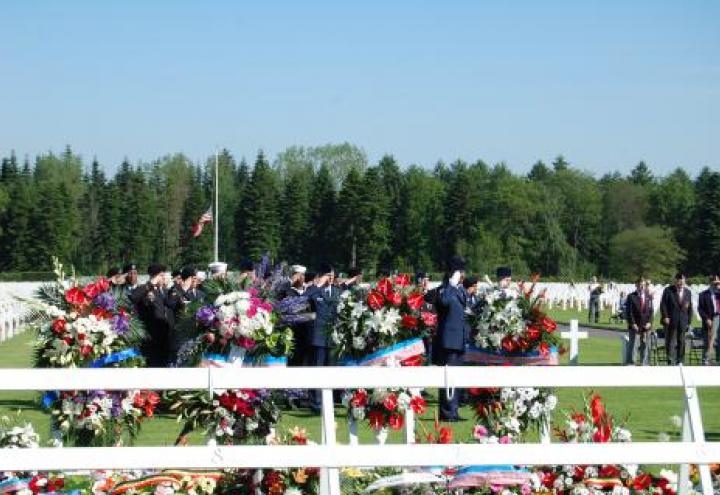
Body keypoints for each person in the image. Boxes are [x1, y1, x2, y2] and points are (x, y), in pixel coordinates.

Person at [434, 256, 468, 421]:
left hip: (459, 340)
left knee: (457, 378)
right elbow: (444, 302)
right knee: (448, 378)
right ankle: (447, 412)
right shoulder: (444, 289)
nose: (463, 274)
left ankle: (453, 411)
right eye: (460, 271)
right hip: (448, 341)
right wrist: (451, 285)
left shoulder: (460, 289)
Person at [305, 263, 341, 413]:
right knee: (317, 370)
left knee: (331, 370)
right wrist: (318, 285)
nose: (331, 278)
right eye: (328, 275)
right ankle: (315, 403)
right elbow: (305, 299)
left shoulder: (337, 292)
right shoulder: (314, 291)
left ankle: (329, 403)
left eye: (332, 276)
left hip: (332, 337)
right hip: (318, 336)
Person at [132, 264, 173, 367]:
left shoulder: (163, 291)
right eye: (162, 275)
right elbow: (134, 297)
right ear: (155, 277)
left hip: (165, 336)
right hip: (151, 337)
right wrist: (151, 283)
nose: (164, 278)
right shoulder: (145, 289)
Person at [660, 272, 693, 365]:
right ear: (676, 281)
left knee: (681, 341)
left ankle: (680, 360)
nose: (681, 282)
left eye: (682, 280)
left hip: (683, 321)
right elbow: (663, 305)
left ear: (684, 281)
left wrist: (689, 322)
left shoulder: (688, 292)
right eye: (679, 280)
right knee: (671, 341)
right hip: (671, 320)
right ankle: (670, 360)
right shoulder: (668, 290)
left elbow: (690, 308)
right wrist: (665, 316)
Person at [625, 277, 654, 366]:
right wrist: (633, 323)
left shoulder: (648, 297)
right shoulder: (631, 296)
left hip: (646, 326)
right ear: (636, 285)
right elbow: (629, 312)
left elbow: (651, 311)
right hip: (635, 325)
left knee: (645, 345)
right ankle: (631, 362)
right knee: (633, 344)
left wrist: (649, 322)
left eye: (643, 285)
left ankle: (644, 363)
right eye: (640, 285)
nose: (641, 287)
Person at [698, 273, 720, 365]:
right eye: (714, 283)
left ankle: (718, 360)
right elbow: (700, 309)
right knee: (708, 341)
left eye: (717, 282)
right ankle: (706, 360)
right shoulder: (703, 294)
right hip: (710, 318)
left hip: (719, 317)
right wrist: (706, 318)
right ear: (710, 282)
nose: (716, 284)